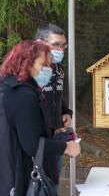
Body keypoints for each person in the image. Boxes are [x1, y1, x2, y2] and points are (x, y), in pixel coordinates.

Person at [0, 40, 80, 195]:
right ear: (26, 63)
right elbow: (32, 145)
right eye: (43, 65)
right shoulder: (23, 95)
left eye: (49, 66)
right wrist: (66, 147)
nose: (48, 70)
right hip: (17, 178)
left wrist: (51, 131)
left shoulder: (7, 87)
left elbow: (19, 128)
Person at [35, 23, 73, 186]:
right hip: (36, 140)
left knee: (52, 185)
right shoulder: (27, 70)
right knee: (35, 186)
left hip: (57, 136)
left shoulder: (59, 69)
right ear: (39, 43)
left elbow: (57, 96)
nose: (60, 50)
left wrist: (66, 113)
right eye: (56, 45)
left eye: (63, 46)